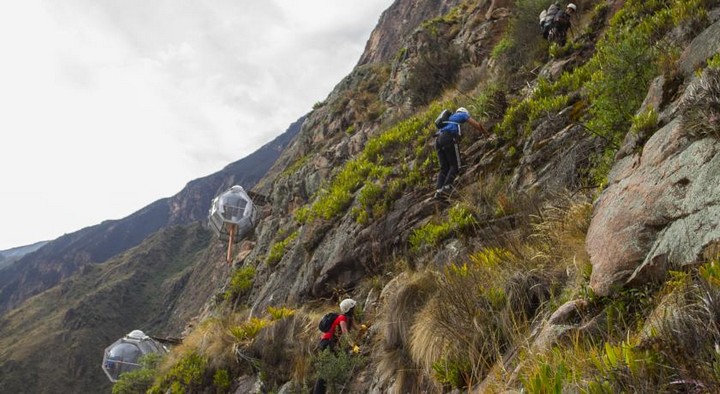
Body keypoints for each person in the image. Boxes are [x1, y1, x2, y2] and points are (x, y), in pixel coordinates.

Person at [434, 107, 486, 199]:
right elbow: (476, 125)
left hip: (438, 140)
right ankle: (447, 187)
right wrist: (485, 133)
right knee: (456, 165)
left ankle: (438, 191)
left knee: (444, 167)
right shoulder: (462, 114)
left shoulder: (449, 119)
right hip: (448, 137)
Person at [313, 298, 360, 394]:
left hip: (331, 344)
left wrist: (364, 328)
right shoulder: (342, 319)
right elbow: (346, 334)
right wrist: (353, 346)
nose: (355, 309)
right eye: (353, 307)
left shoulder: (350, 318)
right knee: (324, 371)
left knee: (340, 361)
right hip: (326, 344)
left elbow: (357, 328)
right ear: (349, 309)